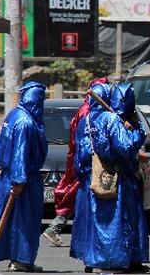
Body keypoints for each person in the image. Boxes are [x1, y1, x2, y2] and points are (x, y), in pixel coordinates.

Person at [70, 82, 145, 273]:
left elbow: (78, 150)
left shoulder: (84, 121)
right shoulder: (111, 120)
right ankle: (110, 261)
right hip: (112, 175)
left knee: (93, 220)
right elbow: (124, 147)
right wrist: (137, 133)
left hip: (89, 177)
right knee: (112, 221)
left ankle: (92, 258)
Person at [42, 77, 109, 247]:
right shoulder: (88, 113)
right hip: (86, 161)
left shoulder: (88, 111)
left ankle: (57, 227)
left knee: (76, 194)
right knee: (82, 194)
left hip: (79, 159)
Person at [0, 81, 48, 272]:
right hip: (23, 178)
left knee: (10, 218)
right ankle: (21, 259)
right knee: (24, 221)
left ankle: (17, 258)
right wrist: (19, 180)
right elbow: (20, 153)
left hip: (8, 176)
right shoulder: (25, 123)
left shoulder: (13, 115)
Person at [110, 82, 150, 272]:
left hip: (129, 179)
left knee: (133, 220)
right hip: (119, 179)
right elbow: (125, 148)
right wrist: (133, 133)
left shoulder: (129, 120)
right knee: (122, 221)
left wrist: (135, 129)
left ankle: (134, 258)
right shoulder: (113, 122)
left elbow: (140, 139)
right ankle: (120, 259)